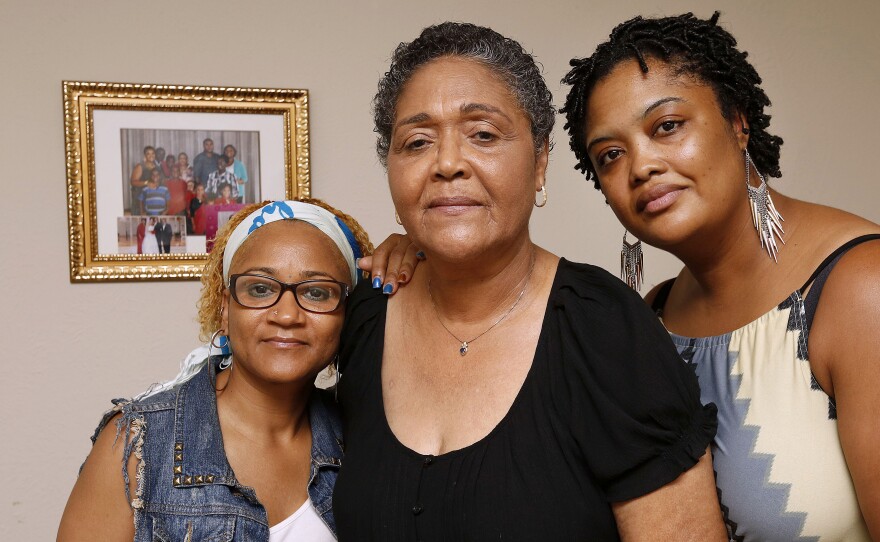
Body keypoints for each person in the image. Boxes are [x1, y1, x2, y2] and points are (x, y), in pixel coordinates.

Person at [335, 22, 726, 541]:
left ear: (541, 161)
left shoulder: (603, 330)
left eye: (483, 134)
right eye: (417, 141)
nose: (447, 163)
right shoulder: (367, 311)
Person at [560, 12, 880, 540]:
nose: (641, 166)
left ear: (737, 122)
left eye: (666, 126)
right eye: (611, 155)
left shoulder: (859, 287)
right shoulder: (649, 323)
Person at [57, 199, 374, 541]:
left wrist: (412, 256)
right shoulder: (137, 445)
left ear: (348, 313)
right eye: (260, 288)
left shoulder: (365, 437)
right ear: (225, 309)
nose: (286, 315)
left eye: (316, 292)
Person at [129, 146, 163, 214]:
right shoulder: (140, 166)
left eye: (153, 153)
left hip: (152, 198)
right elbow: (133, 182)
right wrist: (146, 183)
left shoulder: (157, 167)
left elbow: (160, 181)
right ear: (145, 155)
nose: (151, 155)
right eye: (148, 153)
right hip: (140, 198)